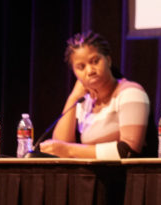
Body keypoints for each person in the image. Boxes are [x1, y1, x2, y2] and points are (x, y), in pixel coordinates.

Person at [40, 31, 150, 159]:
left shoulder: (130, 92)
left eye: (95, 61)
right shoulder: (83, 102)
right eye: (81, 67)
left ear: (108, 60)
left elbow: (129, 150)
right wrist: (73, 97)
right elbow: (60, 148)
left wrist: (69, 150)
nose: (90, 70)